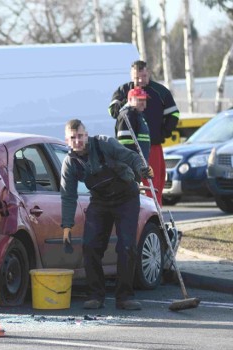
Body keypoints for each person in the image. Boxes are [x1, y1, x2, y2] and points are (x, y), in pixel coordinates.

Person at [60, 119, 153, 310]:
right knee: (90, 245)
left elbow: (130, 157)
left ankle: (124, 297)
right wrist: (67, 226)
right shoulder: (70, 163)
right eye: (72, 138)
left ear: (86, 135)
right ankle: (95, 295)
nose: (77, 141)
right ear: (67, 140)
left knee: (126, 247)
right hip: (100, 201)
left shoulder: (105, 144)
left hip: (126, 197)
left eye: (80, 136)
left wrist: (142, 169)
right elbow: (68, 196)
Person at [108, 60, 179, 206]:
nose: (140, 81)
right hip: (130, 149)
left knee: (155, 184)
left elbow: (174, 115)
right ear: (131, 75)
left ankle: (155, 215)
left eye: (143, 76)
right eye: (136, 77)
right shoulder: (123, 90)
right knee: (136, 184)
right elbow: (113, 112)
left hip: (153, 146)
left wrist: (162, 133)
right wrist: (129, 102)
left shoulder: (161, 91)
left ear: (148, 74)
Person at [116, 87, 151, 162]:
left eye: (144, 99)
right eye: (140, 99)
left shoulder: (138, 115)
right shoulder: (127, 115)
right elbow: (125, 145)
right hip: (133, 166)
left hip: (140, 165)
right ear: (130, 100)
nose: (143, 102)